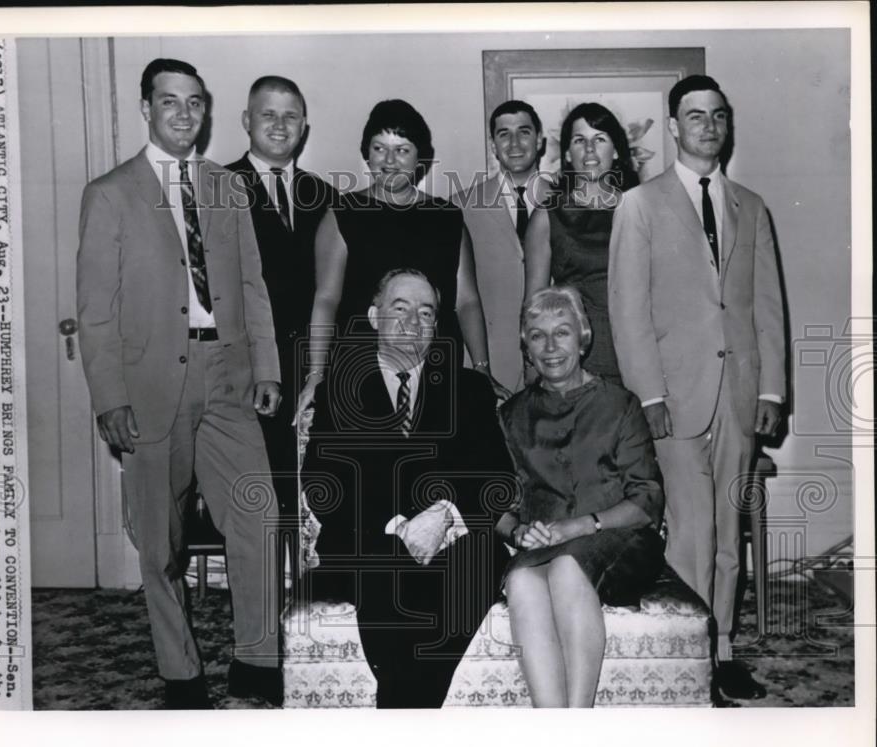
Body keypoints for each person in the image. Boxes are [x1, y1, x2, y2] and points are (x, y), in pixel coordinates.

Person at [76, 58, 282, 709]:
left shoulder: (225, 186)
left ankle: (257, 659)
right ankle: (180, 671)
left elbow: (252, 286)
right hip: (148, 384)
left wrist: (269, 369)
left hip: (227, 375)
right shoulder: (110, 193)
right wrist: (109, 396)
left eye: (195, 103)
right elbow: (96, 308)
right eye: (170, 102)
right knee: (158, 540)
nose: (184, 114)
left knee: (257, 514)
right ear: (147, 108)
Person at [608, 74, 785, 704]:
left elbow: (767, 308)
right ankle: (688, 658)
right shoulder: (641, 204)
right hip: (675, 399)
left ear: (725, 125)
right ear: (675, 127)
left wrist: (772, 391)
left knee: (728, 533)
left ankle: (723, 650)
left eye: (717, 115)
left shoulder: (752, 206)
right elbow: (628, 309)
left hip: (737, 395)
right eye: (694, 115)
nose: (707, 125)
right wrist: (647, 396)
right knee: (690, 534)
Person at [301, 269, 515, 708]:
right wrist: (402, 525)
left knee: (484, 555)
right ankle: (414, 717)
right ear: (375, 317)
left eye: (426, 312)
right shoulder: (339, 390)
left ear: (437, 327)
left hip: (455, 543)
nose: (413, 322)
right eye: (400, 309)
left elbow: (496, 477)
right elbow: (323, 480)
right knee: (386, 566)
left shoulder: (469, 390)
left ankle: (400, 714)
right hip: (369, 543)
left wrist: (442, 516)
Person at [496, 286, 665, 707]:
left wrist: (580, 526)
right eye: (537, 335)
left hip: (619, 540)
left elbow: (647, 500)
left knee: (568, 568)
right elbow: (496, 503)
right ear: (526, 345)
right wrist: (517, 532)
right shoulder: (510, 415)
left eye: (562, 332)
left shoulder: (620, 404)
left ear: (583, 338)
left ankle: (577, 722)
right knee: (520, 579)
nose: (550, 347)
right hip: (545, 547)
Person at [295, 99, 508, 416]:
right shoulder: (342, 214)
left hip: (436, 366)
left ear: (420, 157)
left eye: (402, 150)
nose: (389, 160)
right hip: (360, 372)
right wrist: (316, 375)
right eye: (380, 148)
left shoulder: (447, 217)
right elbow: (326, 299)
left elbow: (466, 301)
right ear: (366, 153)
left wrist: (481, 369)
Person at [225, 76, 339, 578]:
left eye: (290, 115)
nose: (279, 125)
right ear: (247, 121)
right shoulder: (216, 188)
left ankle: (308, 602)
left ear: (304, 127)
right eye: (267, 114)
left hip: (313, 368)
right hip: (248, 370)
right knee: (259, 496)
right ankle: (264, 616)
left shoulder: (327, 194)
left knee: (313, 491)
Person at [523, 102, 639, 386]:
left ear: (617, 151)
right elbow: (533, 304)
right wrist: (533, 373)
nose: (589, 150)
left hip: (640, 356)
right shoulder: (547, 216)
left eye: (599, 139)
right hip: (577, 362)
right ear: (566, 153)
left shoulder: (642, 210)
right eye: (579, 141)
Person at [455, 100, 550, 393]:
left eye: (524, 132)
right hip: (488, 363)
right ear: (493, 145)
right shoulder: (459, 206)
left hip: (555, 356)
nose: (514, 143)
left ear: (540, 140)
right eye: (503, 134)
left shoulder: (568, 201)